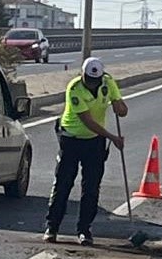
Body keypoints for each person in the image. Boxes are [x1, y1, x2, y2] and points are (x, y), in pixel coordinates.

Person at [43, 57, 128, 246]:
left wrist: (119, 106)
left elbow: (123, 110)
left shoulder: (108, 82)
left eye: (95, 81)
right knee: (63, 183)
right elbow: (87, 121)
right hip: (71, 138)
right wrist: (113, 138)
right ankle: (52, 227)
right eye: (88, 80)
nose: (91, 84)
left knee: (91, 187)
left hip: (94, 142)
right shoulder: (74, 88)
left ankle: (84, 229)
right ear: (82, 75)